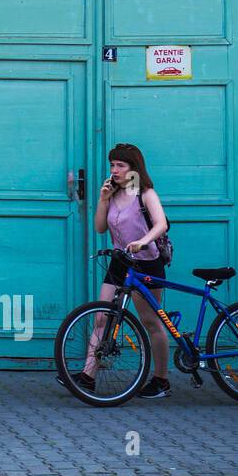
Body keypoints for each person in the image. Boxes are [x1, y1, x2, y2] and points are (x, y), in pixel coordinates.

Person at [60, 142, 171, 399]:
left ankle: (161, 380)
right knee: (101, 316)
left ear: (135, 169)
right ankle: (88, 377)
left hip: (146, 262)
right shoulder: (114, 194)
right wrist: (102, 200)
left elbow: (161, 224)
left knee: (151, 322)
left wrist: (144, 241)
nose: (115, 170)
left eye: (121, 165)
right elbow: (100, 228)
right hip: (121, 260)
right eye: (112, 165)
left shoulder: (145, 194)